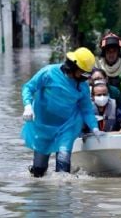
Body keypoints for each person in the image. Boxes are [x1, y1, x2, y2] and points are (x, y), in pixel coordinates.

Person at [21, 47, 104, 177]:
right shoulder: (48, 73)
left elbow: (86, 109)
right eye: (83, 73)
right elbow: (28, 88)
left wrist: (94, 127)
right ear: (73, 67)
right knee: (38, 171)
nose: (85, 77)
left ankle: (64, 194)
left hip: (67, 126)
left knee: (63, 170)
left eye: (87, 74)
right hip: (43, 125)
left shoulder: (82, 86)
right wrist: (27, 106)